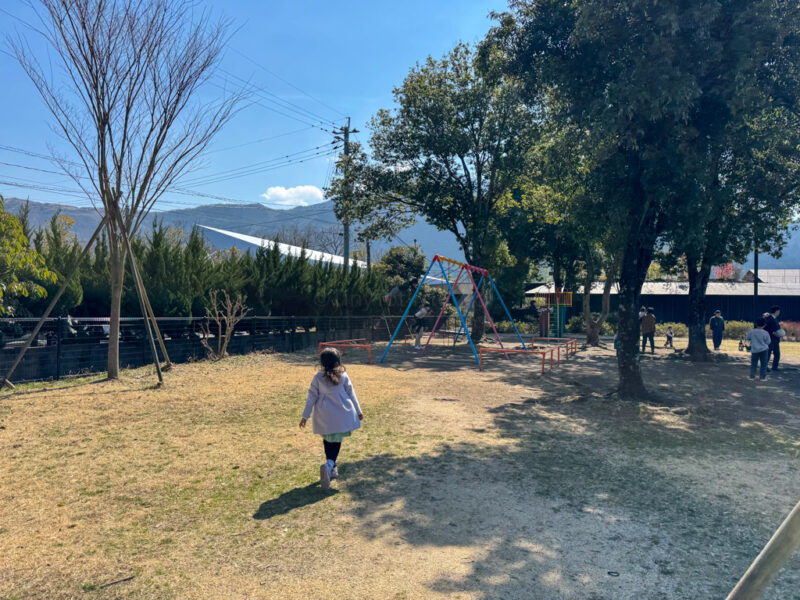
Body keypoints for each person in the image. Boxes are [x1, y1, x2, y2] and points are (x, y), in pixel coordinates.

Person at [300, 348, 364, 490]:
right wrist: (359, 411)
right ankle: (329, 464)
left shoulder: (318, 377)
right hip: (341, 413)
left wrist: (305, 416)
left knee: (328, 439)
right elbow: (351, 394)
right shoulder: (343, 375)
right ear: (338, 361)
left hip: (324, 414)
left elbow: (311, 397)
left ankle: (332, 468)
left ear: (322, 362)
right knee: (336, 440)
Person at [764, 305, 783, 371]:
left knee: (777, 353)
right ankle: (765, 367)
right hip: (770, 338)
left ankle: (775, 367)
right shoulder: (769, 318)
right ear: (776, 311)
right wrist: (773, 332)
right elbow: (766, 328)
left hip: (776, 339)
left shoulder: (775, 318)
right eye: (779, 311)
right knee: (768, 353)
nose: (779, 313)